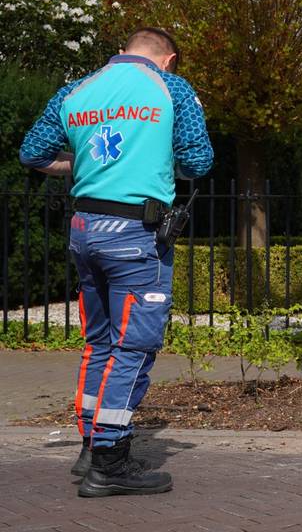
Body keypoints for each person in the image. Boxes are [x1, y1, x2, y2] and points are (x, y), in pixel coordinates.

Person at [19, 27, 213, 497]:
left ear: (124, 51)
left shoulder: (75, 89)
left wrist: (83, 162)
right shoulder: (172, 88)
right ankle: (110, 462)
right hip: (136, 236)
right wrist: (156, 155)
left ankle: (89, 446)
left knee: (99, 343)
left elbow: (34, 153)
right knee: (133, 349)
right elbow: (198, 161)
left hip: (85, 231)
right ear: (168, 59)